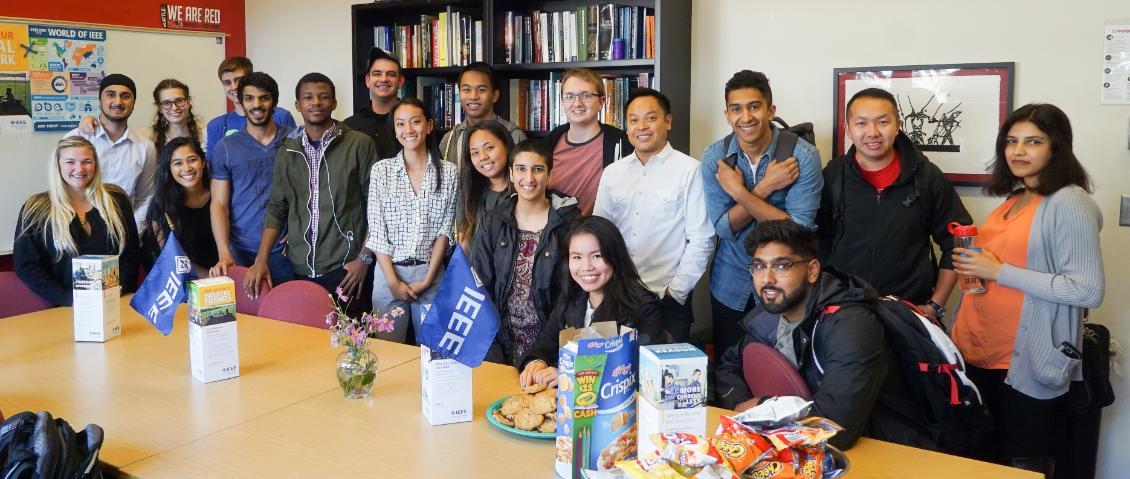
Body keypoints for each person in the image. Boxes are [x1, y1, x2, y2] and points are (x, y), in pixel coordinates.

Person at [950, 104, 1103, 475]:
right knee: (981, 459)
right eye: (1011, 141)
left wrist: (999, 270)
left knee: (1019, 464)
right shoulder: (1015, 198)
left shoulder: (1069, 201)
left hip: (1024, 359)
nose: (1018, 151)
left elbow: (1087, 291)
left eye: (1033, 141)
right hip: (978, 348)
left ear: (1057, 147)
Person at [714, 220, 930, 451]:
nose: (767, 279)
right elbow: (728, 367)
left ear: (812, 271)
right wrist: (740, 405)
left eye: (781, 266)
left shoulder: (851, 325)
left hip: (887, 449)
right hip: (803, 448)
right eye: (758, 266)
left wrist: (762, 406)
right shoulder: (774, 311)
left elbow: (835, 427)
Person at [816, 87, 972, 320]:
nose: (873, 132)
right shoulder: (833, 176)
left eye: (882, 122)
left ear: (898, 125)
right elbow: (814, 241)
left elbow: (958, 242)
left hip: (910, 311)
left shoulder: (927, 177)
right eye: (861, 124)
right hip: (843, 312)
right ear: (848, 129)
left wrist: (934, 306)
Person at [700, 70, 823, 363]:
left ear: (771, 110)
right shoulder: (715, 157)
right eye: (736, 108)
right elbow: (724, 228)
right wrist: (767, 186)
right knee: (731, 369)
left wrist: (739, 193)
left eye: (754, 106)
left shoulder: (801, 157)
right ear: (727, 115)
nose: (746, 117)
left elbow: (798, 233)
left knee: (786, 374)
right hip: (729, 283)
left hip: (787, 284)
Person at [245, 74, 377, 313]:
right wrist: (261, 259)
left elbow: (377, 206)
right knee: (308, 341)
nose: (316, 102)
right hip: (300, 268)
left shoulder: (359, 144)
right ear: (298, 105)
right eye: (308, 97)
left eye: (323, 96)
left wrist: (364, 260)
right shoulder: (287, 149)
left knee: (351, 343)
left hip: (347, 268)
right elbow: (277, 208)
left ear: (334, 103)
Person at [594, 88, 714, 342]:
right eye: (634, 120)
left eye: (651, 118)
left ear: (667, 122)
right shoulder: (613, 173)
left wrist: (675, 293)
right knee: (617, 373)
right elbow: (600, 234)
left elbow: (702, 238)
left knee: (662, 378)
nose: (642, 127)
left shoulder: (689, 170)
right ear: (627, 126)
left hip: (667, 299)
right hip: (618, 294)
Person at [518, 216, 665, 387]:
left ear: (614, 256)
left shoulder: (644, 307)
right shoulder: (571, 298)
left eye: (596, 256)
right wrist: (536, 362)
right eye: (577, 257)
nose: (586, 266)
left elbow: (644, 374)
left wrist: (572, 376)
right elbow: (545, 344)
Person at [472, 139, 580, 367]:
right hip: (500, 344)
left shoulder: (569, 224)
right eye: (521, 169)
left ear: (550, 176)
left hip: (551, 348)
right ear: (511, 174)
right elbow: (479, 287)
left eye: (537, 169)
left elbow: (570, 295)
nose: (529, 179)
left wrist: (545, 351)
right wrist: (493, 350)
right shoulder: (493, 221)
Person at [366, 97, 458, 342]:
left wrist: (428, 279)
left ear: (428, 126)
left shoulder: (449, 172)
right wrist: (393, 282)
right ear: (394, 130)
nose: (408, 130)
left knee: (433, 352)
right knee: (389, 352)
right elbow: (377, 231)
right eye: (400, 124)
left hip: (431, 274)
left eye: (415, 122)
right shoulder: (381, 171)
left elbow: (445, 230)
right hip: (388, 275)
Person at [14, 137, 140, 306]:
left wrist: (118, 290)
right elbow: (26, 265)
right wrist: (69, 299)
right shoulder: (36, 209)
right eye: (70, 162)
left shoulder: (116, 200)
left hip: (114, 303)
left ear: (95, 164)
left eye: (86, 161)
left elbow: (130, 254)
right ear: (58, 165)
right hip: (61, 308)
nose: (79, 169)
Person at [208, 72, 294, 285]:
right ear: (241, 102)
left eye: (264, 98)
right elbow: (219, 204)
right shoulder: (226, 148)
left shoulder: (295, 140)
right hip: (242, 252)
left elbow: (311, 191)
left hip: (287, 251)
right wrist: (224, 252)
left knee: (286, 315)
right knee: (247, 317)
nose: (257, 104)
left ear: (274, 102)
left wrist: (301, 229)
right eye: (249, 98)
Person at [64, 73, 157, 232]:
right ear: (100, 99)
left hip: (125, 234)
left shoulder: (145, 147)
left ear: (134, 103)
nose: (118, 101)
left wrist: (130, 233)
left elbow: (145, 199)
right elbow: (62, 190)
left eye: (125, 96)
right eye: (110, 95)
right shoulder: (76, 138)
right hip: (77, 233)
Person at [545, 68, 633, 215]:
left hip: (602, 234)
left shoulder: (622, 144)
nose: (577, 103)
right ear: (562, 101)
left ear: (601, 102)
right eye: (569, 96)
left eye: (585, 95)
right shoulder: (547, 145)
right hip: (555, 235)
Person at [141, 137, 216, 278]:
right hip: (181, 279)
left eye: (192, 160)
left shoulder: (219, 198)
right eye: (177, 163)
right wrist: (209, 278)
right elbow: (171, 256)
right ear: (168, 169)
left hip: (223, 275)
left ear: (203, 162)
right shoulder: (160, 204)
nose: (187, 168)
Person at [78, 79, 201, 155]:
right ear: (159, 107)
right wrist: (88, 121)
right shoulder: (146, 138)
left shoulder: (206, 134)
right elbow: (116, 134)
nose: (174, 108)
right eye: (166, 103)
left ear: (188, 101)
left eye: (179, 100)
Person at [438, 62, 526, 167]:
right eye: (466, 90)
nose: (473, 96)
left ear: (494, 95)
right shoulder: (449, 140)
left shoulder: (514, 136)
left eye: (481, 90)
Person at [205, 56, 297, 155]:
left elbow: (297, 156)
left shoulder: (281, 116)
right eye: (227, 83)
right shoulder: (216, 126)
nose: (234, 87)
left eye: (238, 80)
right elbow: (214, 166)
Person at [457, 121, 516, 251]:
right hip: (475, 270)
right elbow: (464, 245)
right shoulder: (468, 194)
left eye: (489, 148)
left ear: (506, 146)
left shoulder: (523, 192)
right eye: (475, 153)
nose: (483, 157)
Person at [344, 47, 404, 161]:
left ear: (400, 81)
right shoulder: (349, 127)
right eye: (377, 74)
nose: (384, 79)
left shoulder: (414, 125)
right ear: (367, 80)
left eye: (391, 74)